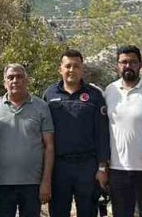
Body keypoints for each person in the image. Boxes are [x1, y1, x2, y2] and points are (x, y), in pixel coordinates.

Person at [42, 49, 109, 217]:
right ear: (60, 69)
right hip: (59, 167)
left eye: (76, 66)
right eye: (68, 66)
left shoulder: (94, 96)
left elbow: (102, 133)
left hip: (87, 166)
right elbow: (42, 136)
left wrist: (102, 167)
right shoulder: (49, 95)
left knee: (88, 212)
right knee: (58, 212)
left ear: (82, 69)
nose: (72, 70)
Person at [0, 63, 55, 217]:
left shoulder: (42, 107)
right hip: (1, 184)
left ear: (26, 80)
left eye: (19, 77)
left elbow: (49, 146)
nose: (15, 80)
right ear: (4, 83)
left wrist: (46, 181)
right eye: (10, 77)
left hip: (32, 184)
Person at [104, 45, 142, 217]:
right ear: (117, 65)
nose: (128, 66)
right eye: (124, 62)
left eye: (133, 62)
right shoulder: (109, 91)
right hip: (117, 169)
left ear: (140, 64)